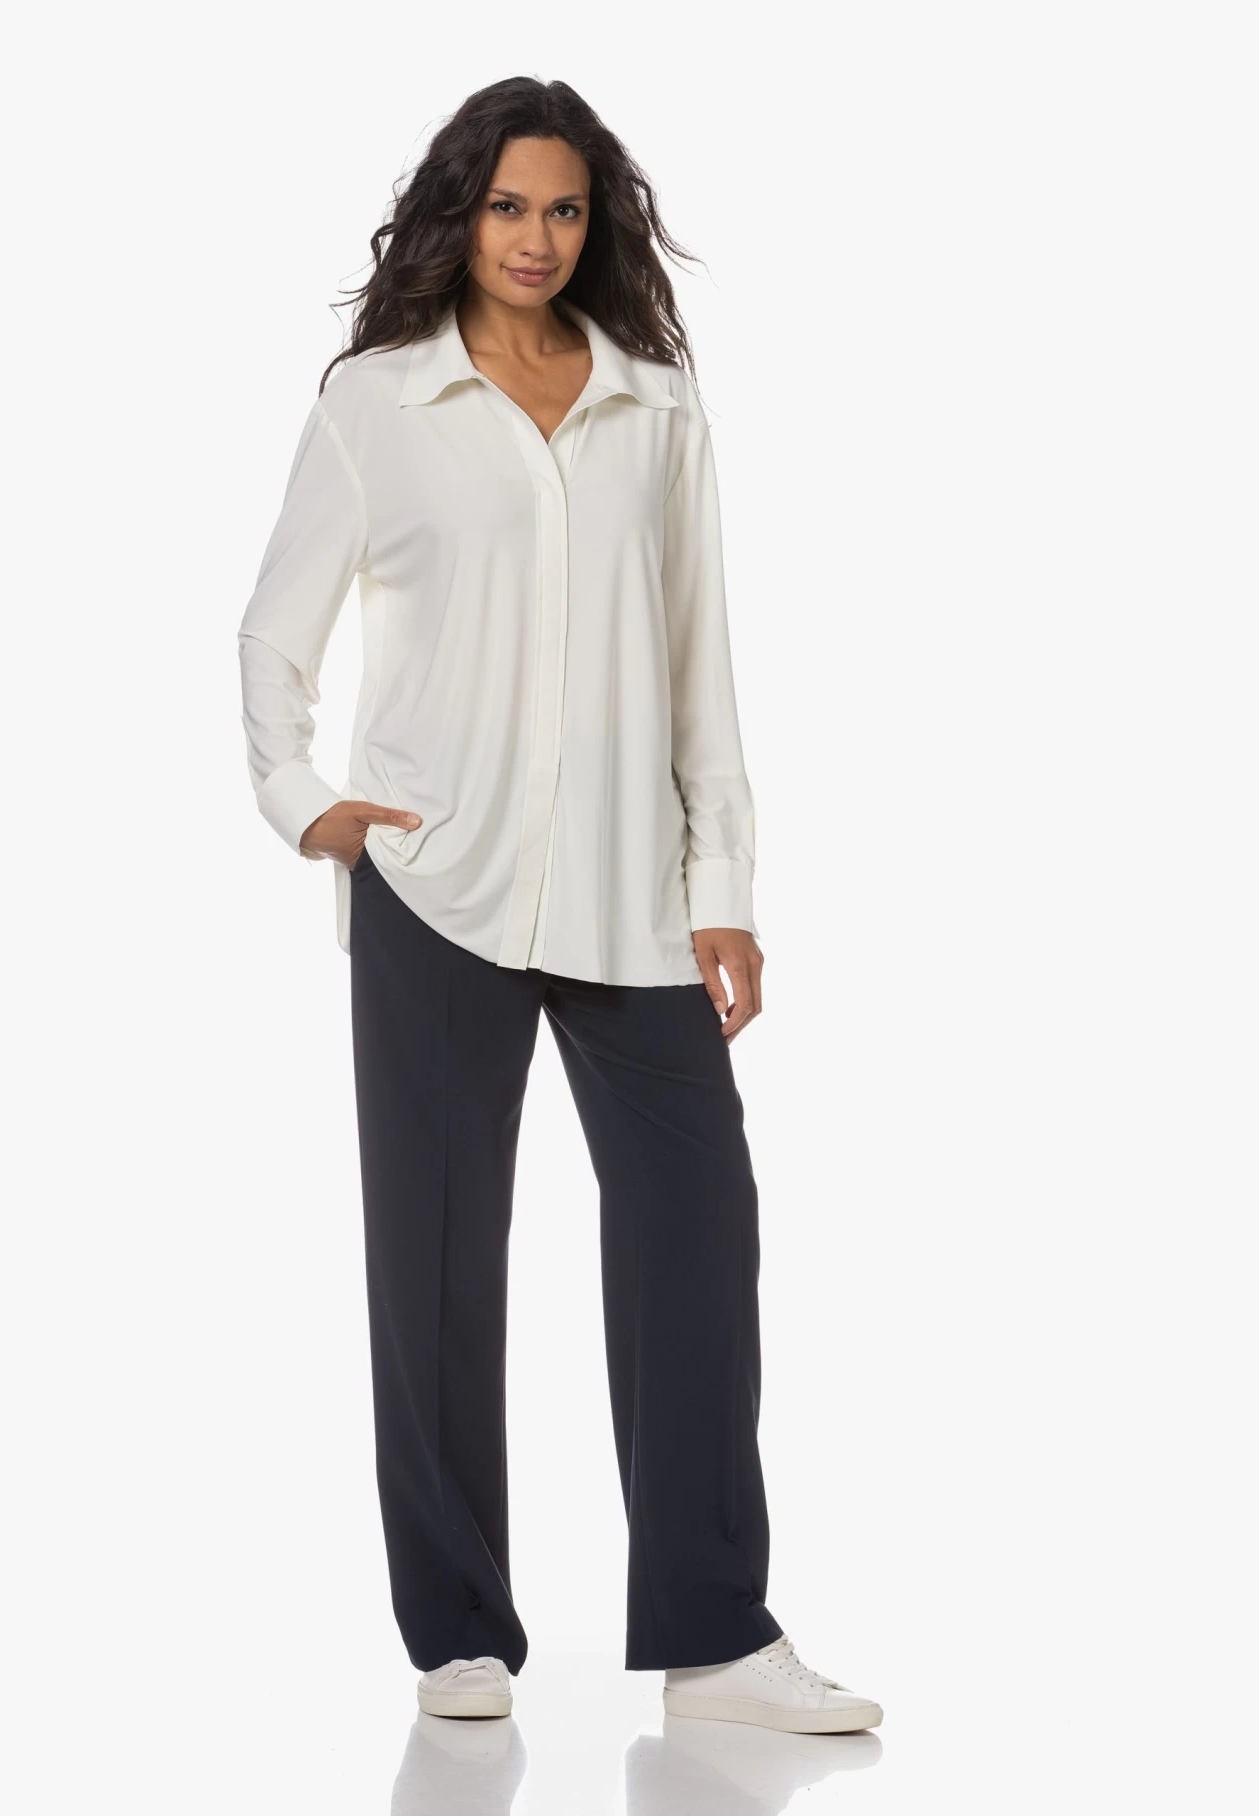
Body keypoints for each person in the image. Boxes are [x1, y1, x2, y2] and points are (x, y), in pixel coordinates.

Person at [236, 75, 882, 1736]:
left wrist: (724, 887)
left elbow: (699, 660)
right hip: (432, 884)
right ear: (461, 213)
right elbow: (274, 635)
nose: (536, 239)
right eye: (509, 207)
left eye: (566, 210)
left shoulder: (655, 406)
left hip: (627, 891)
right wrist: (310, 804)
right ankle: (458, 1632)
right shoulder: (378, 401)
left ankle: (716, 1639)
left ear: (601, 225)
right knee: (437, 1265)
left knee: (698, 1233)